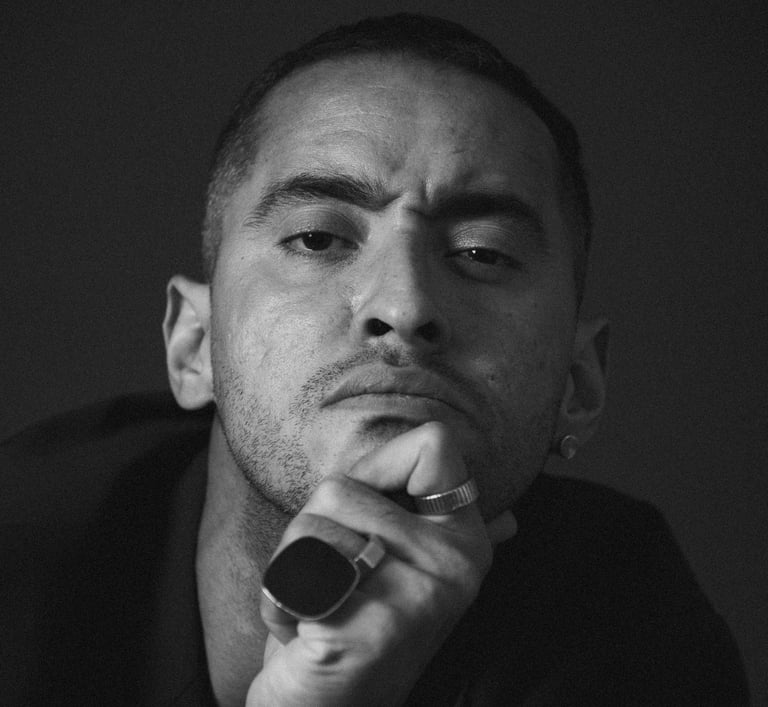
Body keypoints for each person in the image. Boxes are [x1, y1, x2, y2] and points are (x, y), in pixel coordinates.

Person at [0, 13, 749, 706]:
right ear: (194, 346)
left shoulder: (628, 626)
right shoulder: (19, 560)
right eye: (318, 238)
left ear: (579, 385)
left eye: (482, 253)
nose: (405, 304)